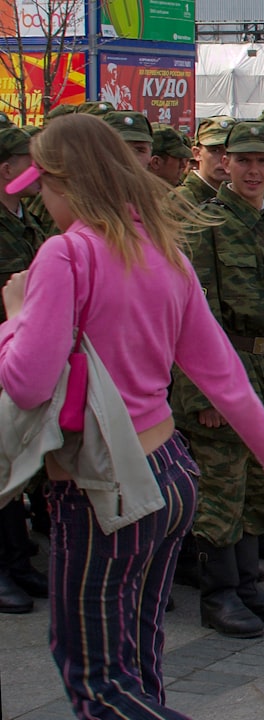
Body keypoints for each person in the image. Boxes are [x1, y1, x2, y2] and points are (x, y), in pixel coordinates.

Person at [0, 112, 264, 719]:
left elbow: (27, 381)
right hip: (170, 472)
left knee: (98, 683)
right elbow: (221, 369)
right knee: (139, 660)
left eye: (44, 186)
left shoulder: (65, 255)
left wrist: (14, 313)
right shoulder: (161, 249)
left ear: (70, 182)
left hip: (103, 487)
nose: (40, 200)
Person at [171, 121, 264, 638]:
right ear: (222, 164)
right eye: (243, 161)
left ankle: (249, 585)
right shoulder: (204, 224)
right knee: (222, 489)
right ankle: (221, 595)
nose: (253, 171)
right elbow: (193, 320)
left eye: (262, 161)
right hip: (226, 372)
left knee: (258, 487)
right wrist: (203, 394)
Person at [0, 127, 49, 614]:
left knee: (13, 466)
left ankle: (17, 561)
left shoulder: (24, 221)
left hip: (19, 351)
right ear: (5, 169)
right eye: (26, 160)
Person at [175, 116, 235, 206]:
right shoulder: (180, 201)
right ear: (197, 153)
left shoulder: (243, 196)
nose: (224, 158)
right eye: (215, 150)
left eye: (230, 150)